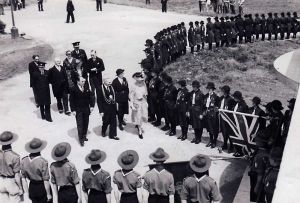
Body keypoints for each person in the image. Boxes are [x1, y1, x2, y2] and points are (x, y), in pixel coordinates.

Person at [21, 138, 52, 203]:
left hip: (32, 187)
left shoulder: (24, 160)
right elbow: (46, 180)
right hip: (42, 188)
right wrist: (48, 194)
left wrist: (27, 192)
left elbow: (23, 179)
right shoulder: (43, 161)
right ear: (40, 149)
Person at [70, 75, 95, 146]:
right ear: (78, 81)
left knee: (86, 123)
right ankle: (81, 139)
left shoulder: (86, 87)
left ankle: (84, 136)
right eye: (82, 81)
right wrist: (73, 110)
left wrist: (92, 106)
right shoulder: (73, 89)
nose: (84, 82)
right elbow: (71, 101)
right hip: (78, 110)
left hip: (86, 109)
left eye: (84, 81)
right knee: (80, 124)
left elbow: (90, 97)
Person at [0, 131, 23, 203]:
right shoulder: (15, 156)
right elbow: (17, 175)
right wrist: (20, 188)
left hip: (1, 181)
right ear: (11, 142)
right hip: (11, 182)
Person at [248, 135, 270, 203]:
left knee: (258, 198)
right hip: (260, 179)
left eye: (257, 140)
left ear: (261, 142)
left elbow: (260, 174)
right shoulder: (265, 152)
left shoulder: (260, 156)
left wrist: (256, 187)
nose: (255, 142)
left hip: (256, 179)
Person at [130, 72, 148, 139]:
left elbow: (145, 93)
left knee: (144, 116)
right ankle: (140, 131)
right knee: (138, 117)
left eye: (141, 79)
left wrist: (146, 102)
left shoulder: (144, 84)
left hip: (143, 102)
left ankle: (138, 125)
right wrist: (132, 105)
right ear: (136, 79)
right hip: (136, 103)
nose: (140, 80)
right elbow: (131, 96)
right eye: (138, 79)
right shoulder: (133, 85)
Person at [219, 85, 236, 151]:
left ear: (226, 91)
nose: (222, 92)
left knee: (229, 132)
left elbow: (233, 109)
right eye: (222, 91)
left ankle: (231, 146)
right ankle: (225, 144)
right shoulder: (221, 98)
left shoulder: (231, 99)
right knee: (223, 131)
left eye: (223, 91)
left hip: (228, 118)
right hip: (222, 117)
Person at [232, 91, 248, 157]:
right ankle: (237, 150)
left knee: (239, 137)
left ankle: (240, 151)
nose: (234, 98)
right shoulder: (237, 103)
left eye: (234, 97)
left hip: (240, 124)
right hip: (235, 122)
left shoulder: (244, 105)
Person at [204, 82, 219, 149]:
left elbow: (218, 106)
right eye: (208, 89)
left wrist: (214, 110)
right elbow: (204, 105)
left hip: (214, 115)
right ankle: (211, 140)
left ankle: (214, 142)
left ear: (213, 89)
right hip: (208, 114)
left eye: (210, 89)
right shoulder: (206, 96)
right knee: (209, 128)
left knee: (214, 129)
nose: (209, 90)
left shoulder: (216, 97)